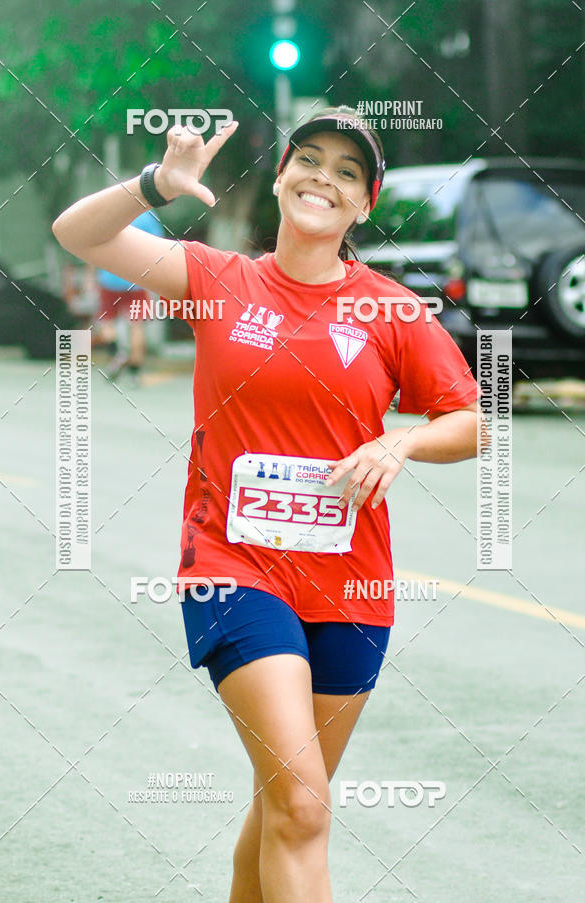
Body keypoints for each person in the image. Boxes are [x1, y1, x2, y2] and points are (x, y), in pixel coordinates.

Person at [52, 105, 483, 903]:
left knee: (285, 799)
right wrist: (157, 184)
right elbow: (78, 233)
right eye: (308, 159)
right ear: (281, 176)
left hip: (352, 587)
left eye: (347, 172)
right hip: (234, 569)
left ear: (365, 206)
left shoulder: (391, 309)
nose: (324, 176)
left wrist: (401, 443)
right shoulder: (220, 280)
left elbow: (469, 422)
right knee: (303, 802)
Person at [94, 209, 165, 382]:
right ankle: (135, 371)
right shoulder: (148, 216)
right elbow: (158, 247)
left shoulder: (110, 211)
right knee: (136, 324)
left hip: (108, 277)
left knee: (107, 321)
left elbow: (94, 242)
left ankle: (117, 353)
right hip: (136, 279)